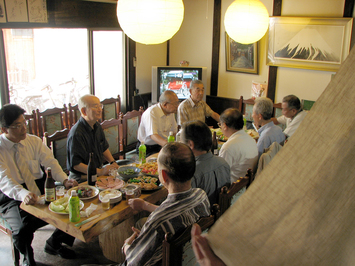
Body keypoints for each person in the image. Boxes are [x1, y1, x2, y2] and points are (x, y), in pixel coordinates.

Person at [0, 104, 78, 266]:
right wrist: (23, 195)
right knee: (22, 229)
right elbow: (5, 180)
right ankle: (28, 258)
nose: (23, 129)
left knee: (73, 207)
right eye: (17, 125)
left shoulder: (33, 141)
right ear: (4, 129)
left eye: (24, 123)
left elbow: (51, 163)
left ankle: (54, 243)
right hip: (11, 196)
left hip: (39, 189)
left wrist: (64, 180)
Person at [122, 142, 211, 265]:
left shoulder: (158, 223)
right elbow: (175, 213)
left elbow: (133, 262)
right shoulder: (201, 196)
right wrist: (146, 238)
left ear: (163, 175)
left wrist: (127, 246)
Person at [67, 94, 119, 183]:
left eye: (100, 106)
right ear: (84, 111)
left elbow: (103, 147)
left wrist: (112, 162)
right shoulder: (76, 133)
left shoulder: (96, 125)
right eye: (95, 107)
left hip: (97, 172)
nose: (100, 110)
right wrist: (100, 172)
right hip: (81, 177)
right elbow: (76, 164)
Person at [181, 120, 230, 206]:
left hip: (203, 218)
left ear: (190, 144)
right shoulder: (224, 163)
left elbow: (184, 208)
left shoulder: (192, 173)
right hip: (222, 213)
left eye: (181, 142)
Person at [218, 108, 258, 183]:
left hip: (232, 188)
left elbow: (220, 174)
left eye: (220, 124)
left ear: (224, 125)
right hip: (246, 184)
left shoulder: (228, 147)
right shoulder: (251, 140)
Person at [137, 90, 179, 156]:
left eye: (177, 103)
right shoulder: (151, 113)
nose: (177, 106)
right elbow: (153, 135)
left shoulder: (170, 112)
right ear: (165, 104)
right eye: (175, 104)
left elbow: (173, 131)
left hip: (162, 145)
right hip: (147, 148)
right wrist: (169, 147)